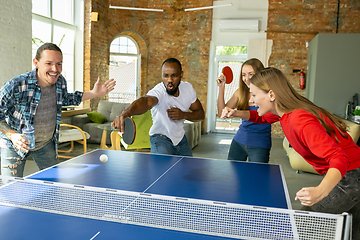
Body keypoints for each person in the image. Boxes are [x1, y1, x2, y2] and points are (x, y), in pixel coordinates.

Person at [221, 67, 360, 239]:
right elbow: (260, 117)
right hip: (352, 172)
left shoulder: (299, 120)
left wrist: (320, 190)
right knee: (352, 232)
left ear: (271, 95)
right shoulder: (284, 112)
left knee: (297, 228)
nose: (251, 100)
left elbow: (339, 157)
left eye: (254, 95)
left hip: (351, 177)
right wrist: (234, 113)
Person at [0, 43, 115, 177]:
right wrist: (12, 135)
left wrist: (94, 93)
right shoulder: (17, 84)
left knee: (54, 184)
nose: (55, 69)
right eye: (49, 63)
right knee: (12, 189)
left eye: (59, 63)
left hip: (45, 143)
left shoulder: (60, 82)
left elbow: (68, 99)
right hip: (15, 145)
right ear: (36, 62)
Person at [112, 58, 205, 156]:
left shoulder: (188, 89)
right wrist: (126, 113)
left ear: (181, 74)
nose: (170, 80)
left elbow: (200, 114)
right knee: (162, 170)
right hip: (160, 139)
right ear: (162, 75)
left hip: (180, 139)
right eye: (166, 76)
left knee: (189, 171)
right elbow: (145, 101)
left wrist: (183, 115)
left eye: (174, 75)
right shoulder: (159, 91)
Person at [216, 58, 278, 162]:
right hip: (239, 141)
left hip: (260, 144)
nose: (246, 78)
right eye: (243, 75)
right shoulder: (240, 92)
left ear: (259, 74)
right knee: (232, 175)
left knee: (256, 177)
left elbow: (259, 116)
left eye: (251, 74)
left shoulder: (269, 94)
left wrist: (236, 113)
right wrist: (221, 88)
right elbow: (221, 113)